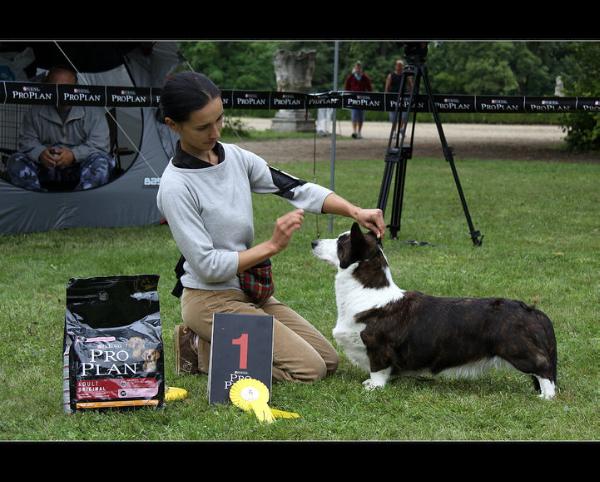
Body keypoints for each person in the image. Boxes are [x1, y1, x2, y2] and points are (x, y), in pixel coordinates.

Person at [156, 71, 386, 383]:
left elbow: (297, 189)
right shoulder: (175, 187)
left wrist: (355, 211)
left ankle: (211, 342)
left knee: (328, 360)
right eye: (202, 126)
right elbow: (209, 267)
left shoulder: (235, 157)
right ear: (173, 125)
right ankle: (201, 348)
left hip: (249, 293)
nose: (215, 131)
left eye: (219, 119)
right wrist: (272, 246)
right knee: (310, 371)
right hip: (210, 299)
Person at [6, 65, 115, 191]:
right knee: (15, 161)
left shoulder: (93, 110)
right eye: (56, 87)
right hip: (47, 167)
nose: (62, 93)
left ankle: (82, 200)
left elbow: (100, 145)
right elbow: (26, 141)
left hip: (79, 168)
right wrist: (40, 153)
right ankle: (35, 200)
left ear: (76, 86)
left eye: (68, 88)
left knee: (101, 163)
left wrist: (73, 155)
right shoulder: (35, 111)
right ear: (48, 87)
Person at [343, 61, 372, 139]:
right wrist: (347, 96)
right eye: (357, 67)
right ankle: (354, 131)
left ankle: (359, 132)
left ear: (361, 68)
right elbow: (347, 87)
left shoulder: (365, 77)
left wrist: (369, 96)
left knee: (361, 116)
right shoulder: (351, 77)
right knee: (354, 115)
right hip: (353, 99)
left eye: (359, 67)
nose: (358, 69)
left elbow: (369, 88)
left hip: (362, 99)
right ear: (355, 68)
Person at [384, 59, 413, 131]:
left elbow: (411, 86)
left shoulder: (406, 76)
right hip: (393, 98)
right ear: (396, 66)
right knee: (393, 117)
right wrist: (386, 97)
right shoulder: (391, 75)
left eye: (401, 66)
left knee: (403, 116)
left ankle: (400, 129)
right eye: (398, 65)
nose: (400, 67)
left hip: (404, 97)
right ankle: (393, 131)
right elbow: (387, 87)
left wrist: (411, 95)